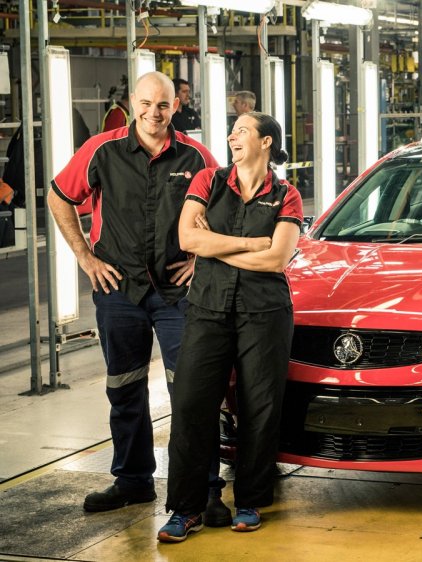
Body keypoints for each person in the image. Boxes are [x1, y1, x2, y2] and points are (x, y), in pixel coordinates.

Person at [47, 72, 229, 518]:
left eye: (163, 105)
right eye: (146, 104)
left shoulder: (196, 156)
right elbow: (59, 196)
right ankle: (132, 481)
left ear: (175, 107)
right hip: (118, 289)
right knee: (124, 388)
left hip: (177, 294)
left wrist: (200, 259)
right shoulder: (101, 150)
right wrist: (85, 257)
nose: (153, 113)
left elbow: (225, 208)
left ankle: (204, 488)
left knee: (192, 393)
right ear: (132, 103)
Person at [160, 112, 302, 542]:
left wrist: (215, 246)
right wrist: (250, 243)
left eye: (242, 131)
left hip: (265, 313)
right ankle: (186, 509)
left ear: (266, 142)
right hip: (207, 308)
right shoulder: (208, 181)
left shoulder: (287, 195)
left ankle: (250, 502)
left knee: (259, 408)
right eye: (232, 131)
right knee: (191, 405)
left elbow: (277, 259)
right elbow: (188, 239)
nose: (231, 136)